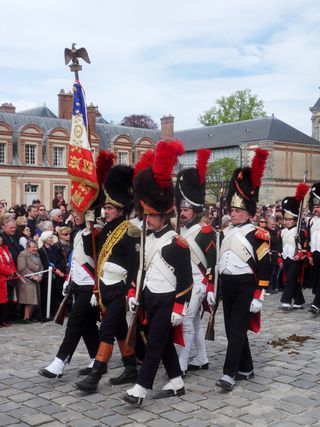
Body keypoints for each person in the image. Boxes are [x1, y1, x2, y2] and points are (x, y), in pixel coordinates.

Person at [122, 140, 193, 407]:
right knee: (161, 344)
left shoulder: (177, 244)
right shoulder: (147, 238)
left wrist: (179, 308)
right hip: (149, 298)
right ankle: (176, 381)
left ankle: (140, 389)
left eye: (150, 216)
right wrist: (132, 292)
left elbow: (186, 281)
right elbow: (137, 269)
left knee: (153, 345)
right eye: (146, 215)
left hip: (167, 300)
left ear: (163, 216)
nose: (146, 219)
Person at [75, 160, 140, 394]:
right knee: (120, 329)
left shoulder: (131, 231)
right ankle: (131, 367)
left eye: (110, 208)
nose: (106, 211)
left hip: (121, 290)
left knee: (107, 330)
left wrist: (131, 292)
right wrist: (86, 226)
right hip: (105, 288)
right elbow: (93, 251)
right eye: (105, 208)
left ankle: (96, 375)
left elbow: (135, 266)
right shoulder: (106, 229)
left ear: (121, 209)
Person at [216, 148, 272, 392]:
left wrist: (259, 296)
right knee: (232, 329)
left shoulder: (258, 234)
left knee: (236, 330)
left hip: (245, 286)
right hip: (227, 285)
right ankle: (247, 368)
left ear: (249, 212)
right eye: (232, 210)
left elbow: (264, 267)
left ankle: (229, 374)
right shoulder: (226, 232)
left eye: (238, 210)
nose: (233, 213)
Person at [38, 211, 100, 379]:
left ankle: (60, 361)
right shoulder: (77, 232)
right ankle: (98, 359)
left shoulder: (95, 231)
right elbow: (76, 261)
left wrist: (96, 288)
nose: (75, 216)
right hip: (78, 284)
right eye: (74, 213)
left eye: (80, 213)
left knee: (74, 323)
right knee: (88, 326)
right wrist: (69, 280)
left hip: (90, 286)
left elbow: (96, 257)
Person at [174, 149, 216, 375]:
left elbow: (212, 262)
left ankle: (181, 363)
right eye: (181, 209)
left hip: (199, 283)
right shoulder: (180, 230)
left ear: (197, 211)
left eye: (187, 209)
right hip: (185, 283)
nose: (183, 213)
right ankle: (201, 357)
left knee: (187, 321)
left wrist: (210, 287)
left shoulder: (206, 231)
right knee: (196, 324)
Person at [279, 184, 309, 310]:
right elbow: (280, 247)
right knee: (292, 281)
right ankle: (299, 300)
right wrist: (280, 259)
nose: (286, 222)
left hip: (296, 259)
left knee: (290, 280)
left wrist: (300, 255)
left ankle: (285, 301)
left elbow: (305, 247)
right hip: (286, 259)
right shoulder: (282, 231)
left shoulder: (300, 231)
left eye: (289, 220)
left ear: (295, 220)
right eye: (285, 220)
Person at [16, 239, 43, 323]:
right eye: (33, 247)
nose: (35, 249)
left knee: (34, 299)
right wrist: (33, 276)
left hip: (36, 279)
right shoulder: (23, 254)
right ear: (28, 248)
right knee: (28, 300)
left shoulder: (37, 254)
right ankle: (26, 317)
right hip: (26, 280)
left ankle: (30, 317)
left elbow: (41, 266)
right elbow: (22, 268)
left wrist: (40, 275)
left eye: (36, 247)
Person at [307, 183, 320, 314]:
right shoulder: (311, 220)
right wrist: (310, 255)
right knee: (316, 277)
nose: (316, 209)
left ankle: (317, 304)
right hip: (315, 254)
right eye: (315, 206)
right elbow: (309, 239)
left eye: (318, 207)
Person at [0, 234, 16, 326]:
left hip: (8, 278)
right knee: (1, 300)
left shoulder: (5, 248)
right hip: (2, 278)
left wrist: (13, 271)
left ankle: (4, 319)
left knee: (7, 300)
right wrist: (9, 273)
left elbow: (11, 261)